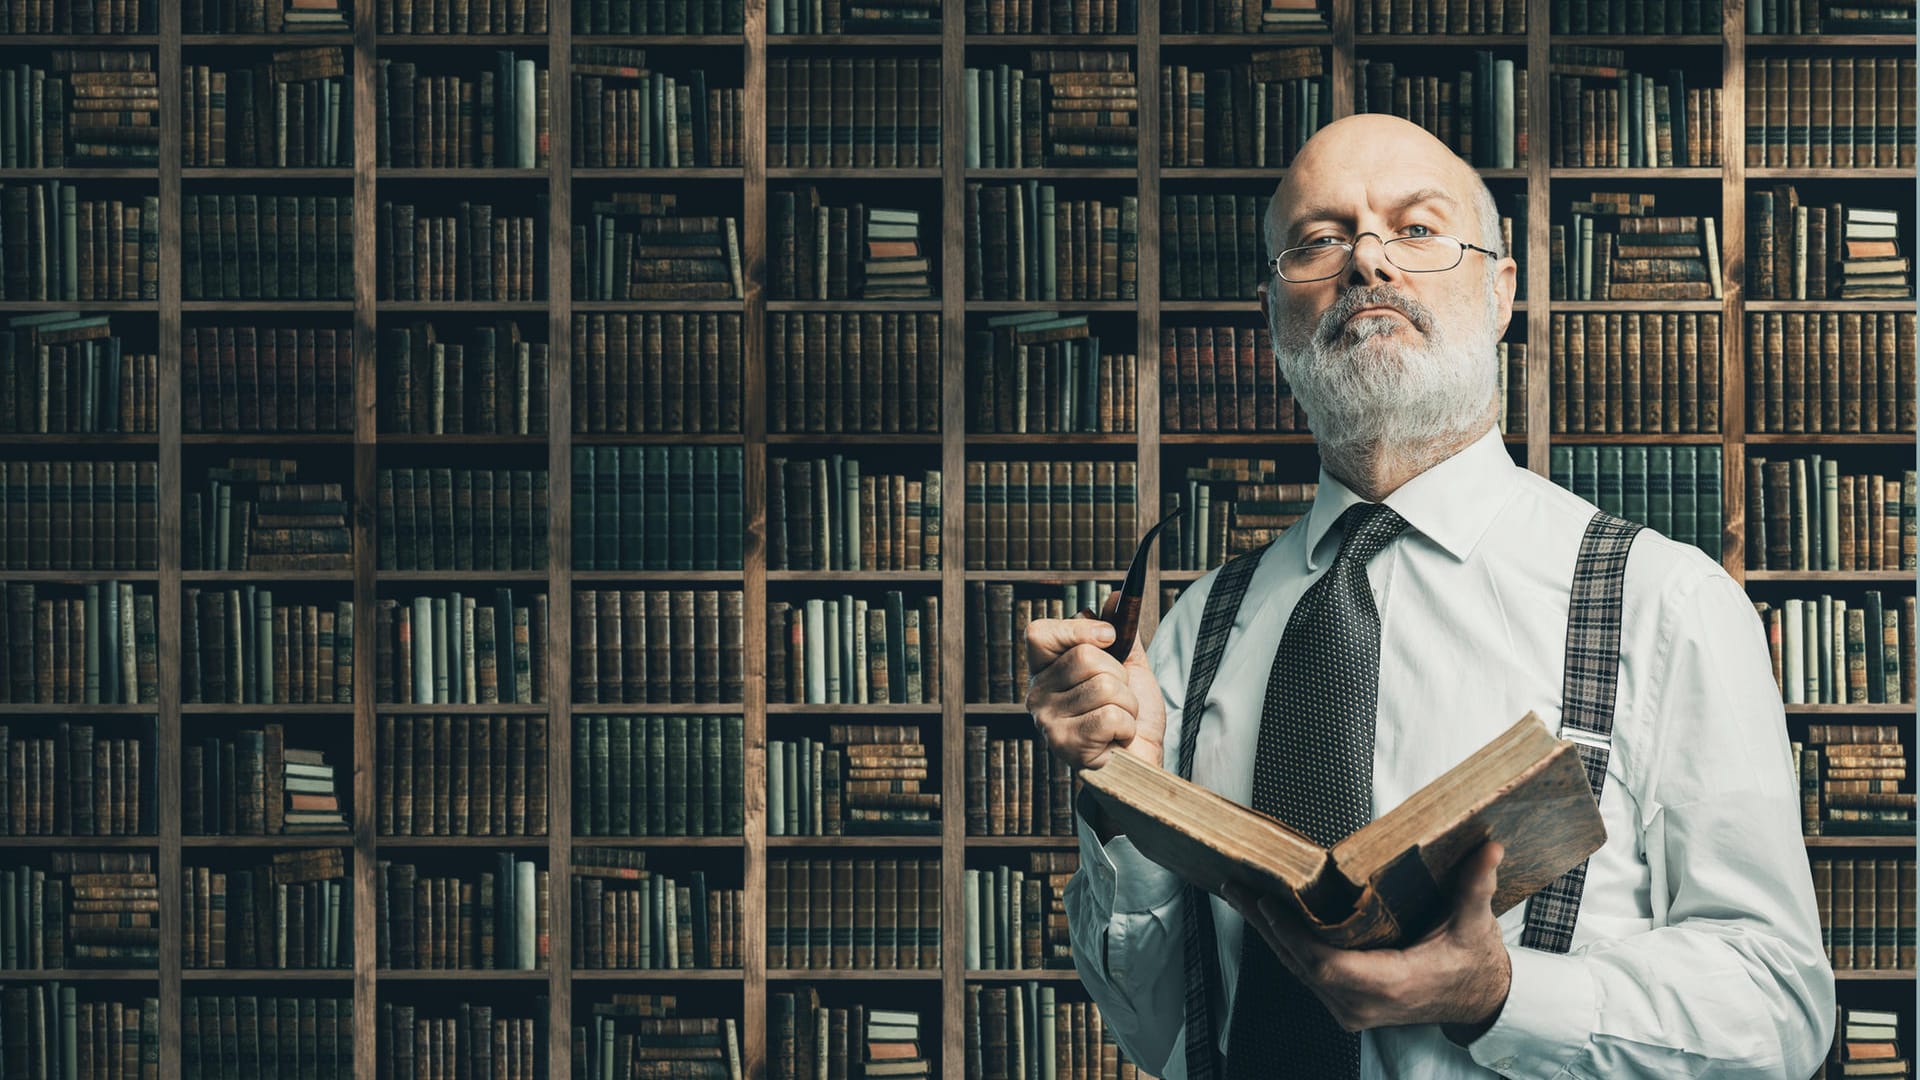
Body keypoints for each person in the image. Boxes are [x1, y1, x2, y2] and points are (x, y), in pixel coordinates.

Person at [1025, 112, 1835, 1079]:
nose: (1367, 261)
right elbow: (1160, 1030)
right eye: (1319, 240)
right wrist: (1128, 797)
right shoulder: (1196, 628)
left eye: (1416, 228)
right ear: (1275, 314)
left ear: (1500, 293)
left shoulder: (1668, 603)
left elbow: (1781, 1008)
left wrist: (1502, 998)